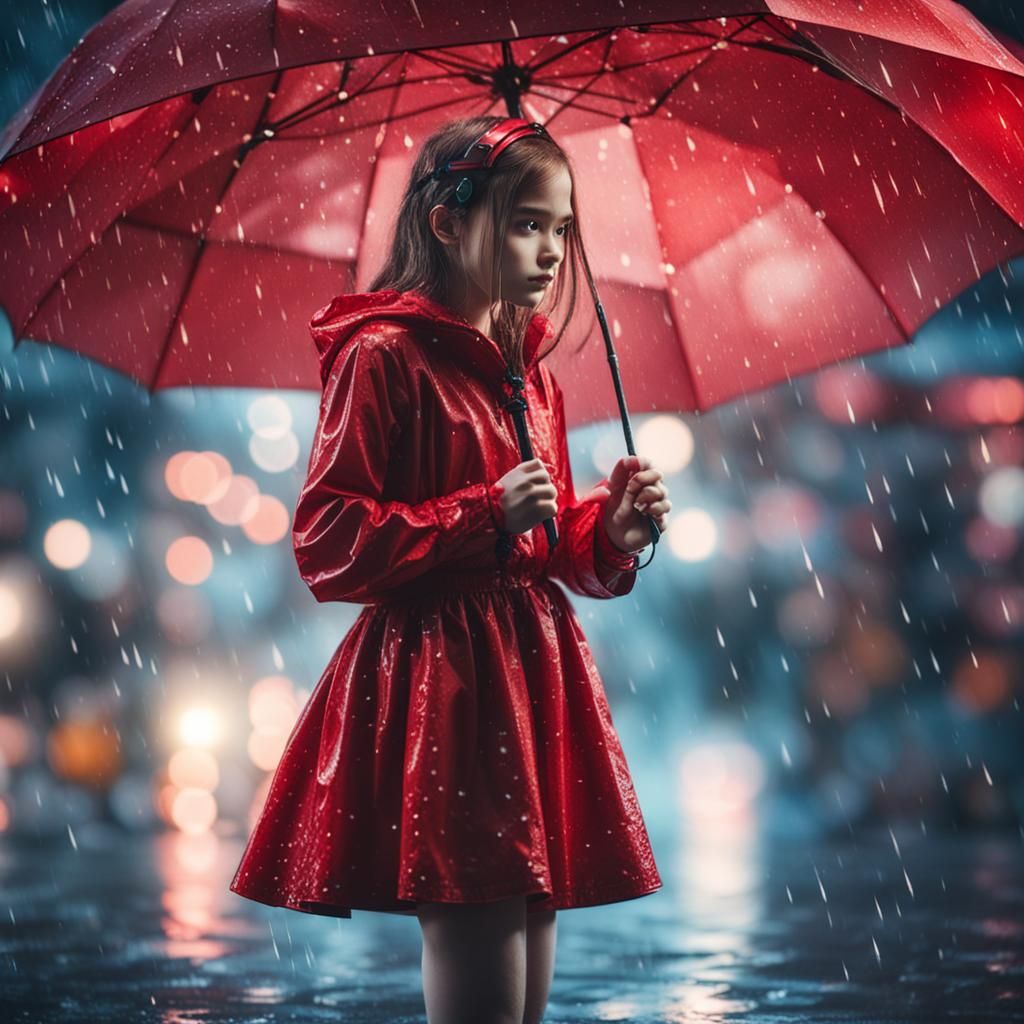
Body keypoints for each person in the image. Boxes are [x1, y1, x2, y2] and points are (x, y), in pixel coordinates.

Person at [229, 114, 672, 1024]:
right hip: (448, 681)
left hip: (532, 670)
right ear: (445, 224)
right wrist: (478, 514)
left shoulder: (528, 373)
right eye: (525, 224)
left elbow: (541, 546)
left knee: (530, 913)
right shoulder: (382, 357)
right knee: (480, 910)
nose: (550, 252)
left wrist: (611, 532)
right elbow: (326, 538)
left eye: (561, 229)